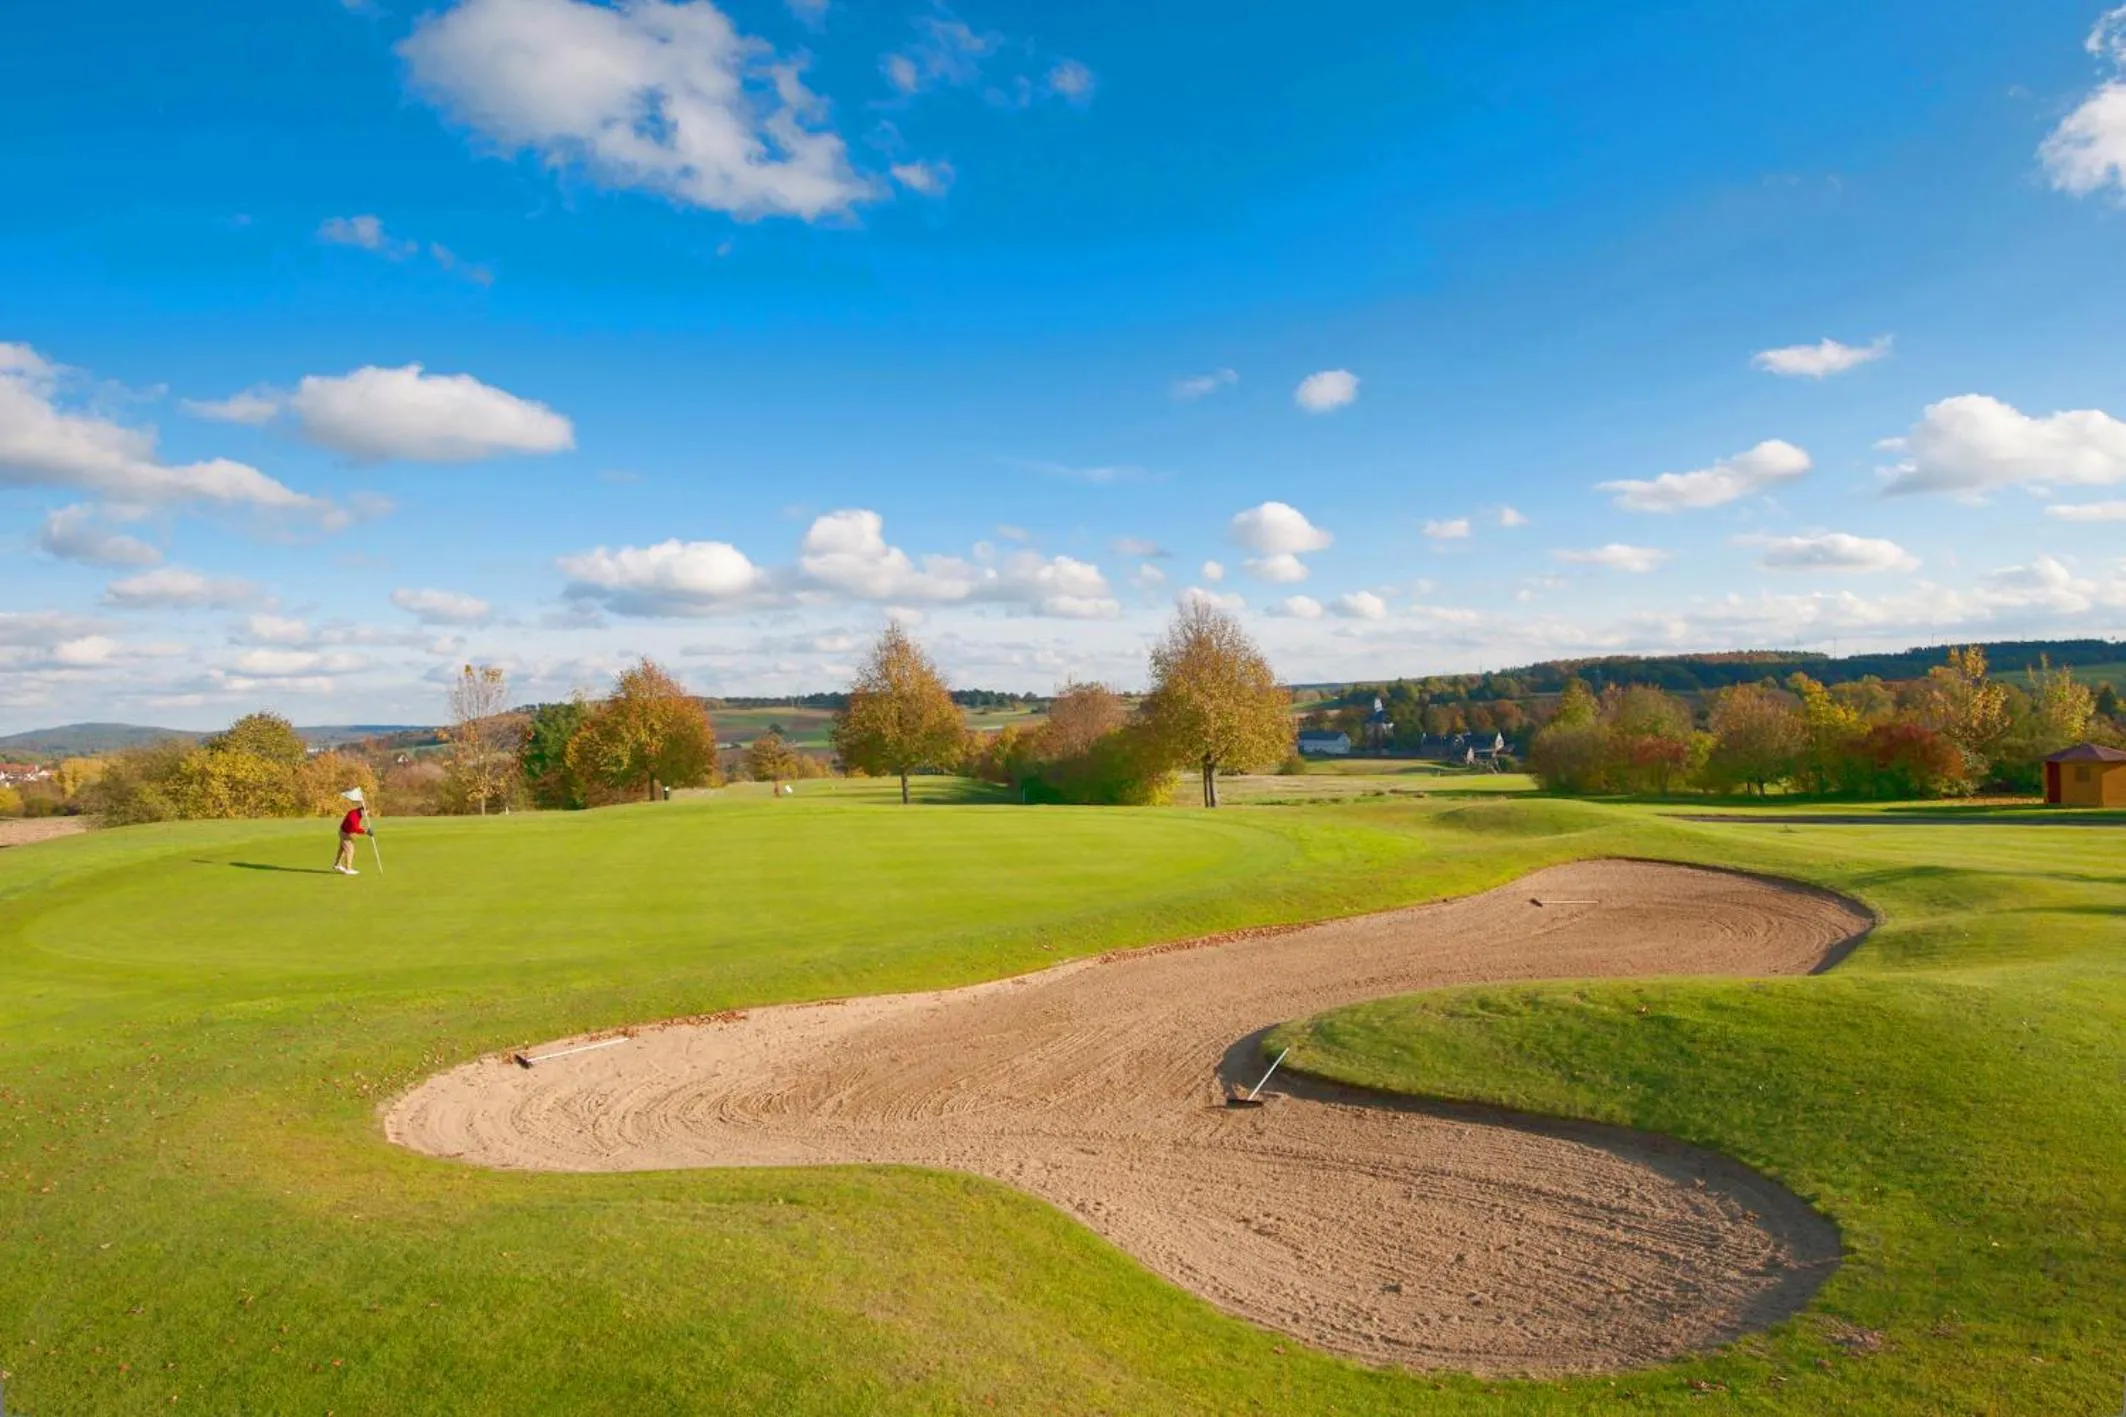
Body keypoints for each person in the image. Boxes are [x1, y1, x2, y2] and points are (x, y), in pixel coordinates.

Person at [335, 800, 370, 875]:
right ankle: (348, 869)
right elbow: (355, 828)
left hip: (344, 831)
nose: (367, 815)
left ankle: (337, 865)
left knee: (342, 849)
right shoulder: (354, 816)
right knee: (350, 850)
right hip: (346, 833)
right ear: (362, 810)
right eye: (366, 812)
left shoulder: (356, 813)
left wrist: (366, 831)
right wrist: (366, 832)